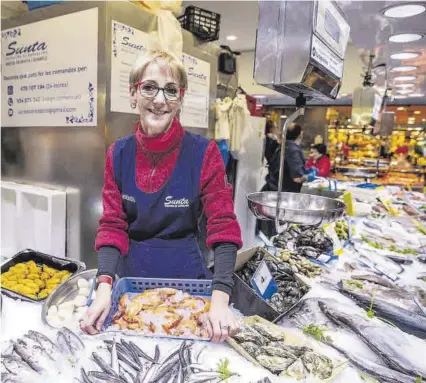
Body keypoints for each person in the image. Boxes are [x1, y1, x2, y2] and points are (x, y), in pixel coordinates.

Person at [80, 50, 243, 342]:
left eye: (170, 91)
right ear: (133, 94)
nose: (159, 100)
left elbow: (223, 225)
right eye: (149, 87)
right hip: (131, 284)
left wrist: (220, 299)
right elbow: (112, 225)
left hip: (189, 280)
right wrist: (105, 286)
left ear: (180, 100)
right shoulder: (118, 153)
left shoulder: (204, 153)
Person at [263, 124, 317, 194]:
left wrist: (303, 170)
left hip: (272, 189)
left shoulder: (282, 146)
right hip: (283, 193)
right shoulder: (293, 150)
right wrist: (309, 177)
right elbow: (297, 178)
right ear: (300, 135)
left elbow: (285, 167)